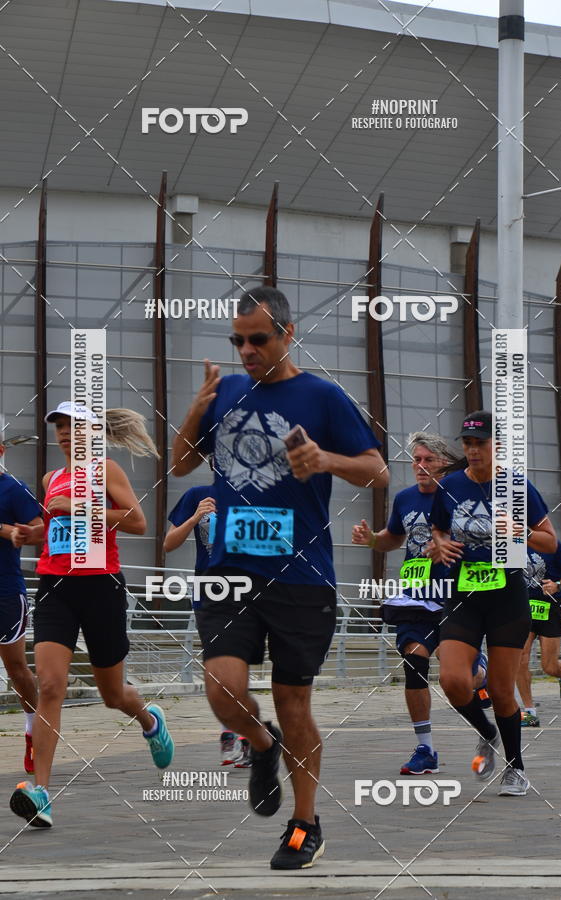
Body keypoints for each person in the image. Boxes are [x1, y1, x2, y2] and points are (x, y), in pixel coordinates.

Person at [171, 286, 387, 869]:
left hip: (302, 576)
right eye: (238, 340)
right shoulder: (225, 391)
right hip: (229, 571)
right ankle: (262, 744)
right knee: (222, 689)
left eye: (258, 340)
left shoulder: (323, 396)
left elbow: (377, 471)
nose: (246, 351)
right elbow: (181, 463)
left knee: (294, 700)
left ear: (288, 335)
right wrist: (195, 410)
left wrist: (326, 460)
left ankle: (304, 824)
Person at [9, 401, 174, 828]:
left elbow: (137, 522)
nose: (65, 434)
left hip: (101, 586)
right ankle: (41, 792)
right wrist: (31, 533)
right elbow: (55, 525)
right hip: (55, 585)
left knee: (112, 695)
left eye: (74, 427)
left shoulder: (107, 471)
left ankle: (149, 719)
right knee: (50, 685)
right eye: (60, 427)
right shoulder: (51, 479)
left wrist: (77, 507)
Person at [431, 410, 557, 797]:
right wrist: (440, 544)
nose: (473, 450)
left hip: (507, 598)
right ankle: (486, 732)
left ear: (496, 446)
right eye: (467, 443)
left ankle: (515, 768)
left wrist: (518, 532)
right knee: (452, 681)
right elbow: (438, 528)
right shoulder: (451, 485)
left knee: (502, 692)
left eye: (480, 443)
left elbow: (550, 542)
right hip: (464, 596)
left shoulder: (516, 486)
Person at [351, 431, 488, 776]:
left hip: (454, 595)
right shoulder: (405, 498)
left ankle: (481, 671)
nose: (421, 466)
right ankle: (425, 749)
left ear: (444, 463)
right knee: (414, 662)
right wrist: (371, 539)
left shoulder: (459, 495)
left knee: (462, 679)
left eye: (428, 459)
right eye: (416, 460)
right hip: (416, 596)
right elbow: (393, 538)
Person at [164, 482, 249, 766]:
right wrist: (194, 517)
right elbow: (168, 543)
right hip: (208, 586)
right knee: (217, 665)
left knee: (237, 663)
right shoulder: (197, 495)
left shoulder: (255, 492)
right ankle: (235, 734)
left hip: (245, 585)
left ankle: (240, 735)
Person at [0, 434, 43, 773]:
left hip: (5, 590)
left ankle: (33, 731)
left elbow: (40, 529)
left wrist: (11, 532)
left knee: (16, 667)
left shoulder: (14, 489)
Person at [517, 541, 561, 725]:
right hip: (522, 608)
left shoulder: (553, 546)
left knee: (549, 666)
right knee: (520, 659)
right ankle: (529, 712)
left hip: (550, 609)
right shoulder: (512, 544)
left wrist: (558, 585)